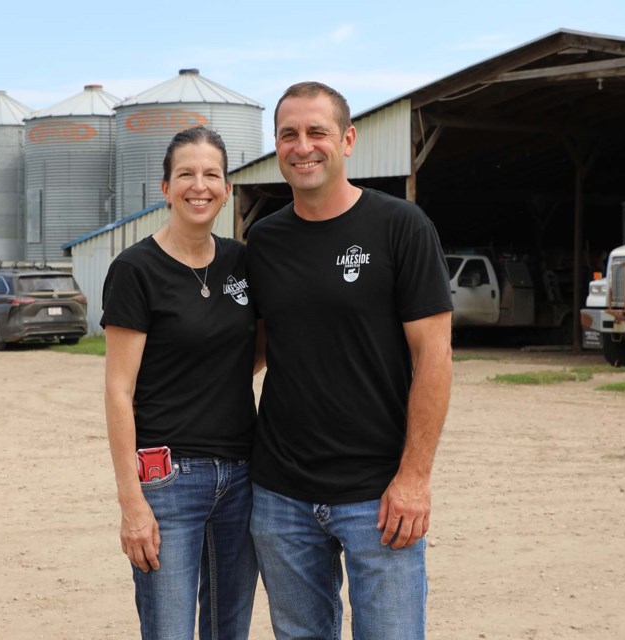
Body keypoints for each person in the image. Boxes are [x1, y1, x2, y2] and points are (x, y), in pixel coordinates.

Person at [245, 82, 453, 639]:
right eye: (288, 134)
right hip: (281, 495)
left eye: (317, 132)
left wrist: (414, 478)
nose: (302, 146)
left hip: (378, 495)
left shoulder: (400, 226)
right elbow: (255, 349)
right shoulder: (263, 241)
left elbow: (434, 355)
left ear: (348, 139)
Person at [101, 126, 259, 640]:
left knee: (228, 630)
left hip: (242, 476)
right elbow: (119, 391)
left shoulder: (241, 262)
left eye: (212, 174)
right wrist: (132, 503)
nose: (200, 185)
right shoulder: (135, 270)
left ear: (227, 188)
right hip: (168, 481)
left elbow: (251, 354)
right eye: (186, 174)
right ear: (164, 188)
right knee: (169, 631)